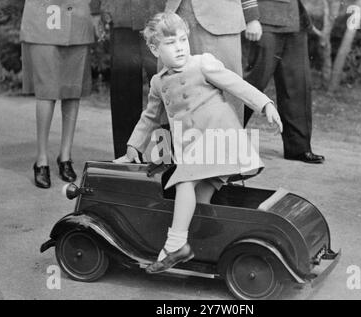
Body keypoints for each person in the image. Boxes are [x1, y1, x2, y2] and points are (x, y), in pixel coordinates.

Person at [115, 12, 283, 273]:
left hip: (220, 138)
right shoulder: (158, 82)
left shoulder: (203, 64)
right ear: (154, 48)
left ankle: (175, 245)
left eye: (183, 39)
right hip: (194, 147)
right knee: (199, 196)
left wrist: (265, 104)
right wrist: (133, 146)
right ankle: (208, 247)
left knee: (184, 181)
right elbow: (149, 116)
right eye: (170, 43)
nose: (180, 47)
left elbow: (237, 84)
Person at [20, 0, 99, 188]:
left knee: (72, 90)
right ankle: (41, 160)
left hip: (78, 20)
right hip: (43, 19)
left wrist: (96, 12)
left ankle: (65, 156)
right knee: (46, 91)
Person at [242, 0, 325, 164]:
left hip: (295, 21)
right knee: (252, 83)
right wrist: (251, 17)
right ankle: (222, 139)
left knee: (297, 85)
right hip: (263, 20)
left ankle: (298, 148)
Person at [90, 0, 166, 158]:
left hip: (158, 15)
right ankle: (127, 160)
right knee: (124, 94)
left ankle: (167, 159)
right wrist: (96, 10)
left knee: (166, 92)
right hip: (121, 14)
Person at [165, 0, 261, 124]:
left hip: (221, 20)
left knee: (226, 90)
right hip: (178, 14)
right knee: (178, 91)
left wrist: (251, 17)